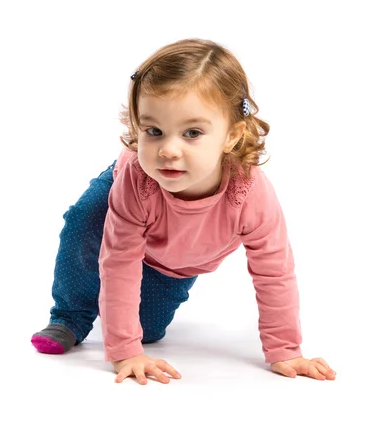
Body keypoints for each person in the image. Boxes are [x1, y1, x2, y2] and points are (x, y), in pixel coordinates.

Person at [31, 38, 337, 384]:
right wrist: (125, 351)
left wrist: (286, 350)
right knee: (85, 221)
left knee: (146, 330)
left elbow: (274, 272)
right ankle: (70, 315)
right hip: (132, 209)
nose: (168, 150)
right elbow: (119, 260)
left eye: (192, 133)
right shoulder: (137, 178)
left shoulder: (250, 195)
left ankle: (117, 308)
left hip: (177, 255)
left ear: (232, 136)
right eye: (154, 131)